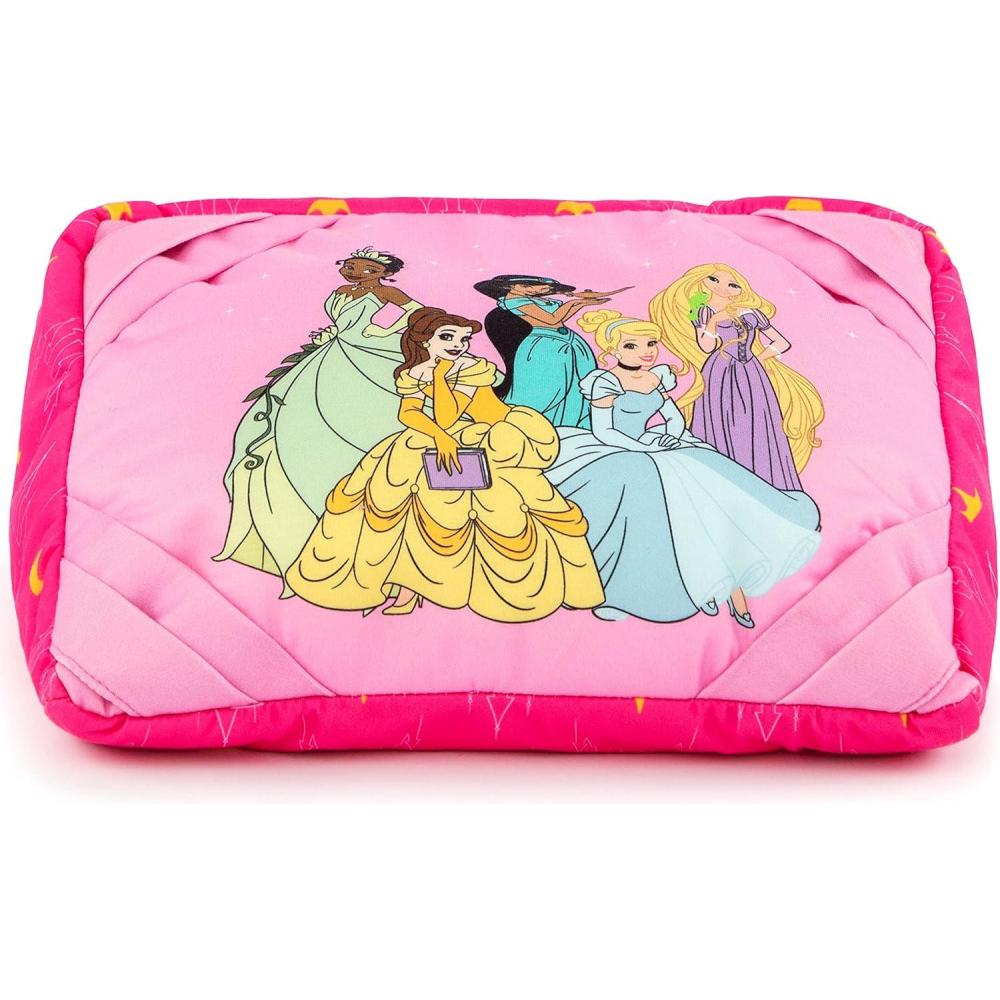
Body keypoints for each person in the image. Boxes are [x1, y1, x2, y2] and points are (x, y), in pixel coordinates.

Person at [286, 307, 605, 622]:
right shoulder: (415, 372)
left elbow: (448, 415)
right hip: (451, 433)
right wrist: (439, 436)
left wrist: (440, 382)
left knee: (500, 503)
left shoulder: (470, 367)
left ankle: (515, 587)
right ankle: (406, 583)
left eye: (463, 339)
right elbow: (408, 413)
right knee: (399, 479)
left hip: (500, 434)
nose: (458, 345)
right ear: (425, 341)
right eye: (448, 337)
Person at [547, 311, 821, 627]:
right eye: (633, 346)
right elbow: (604, 431)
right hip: (618, 449)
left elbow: (673, 417)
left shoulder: (656, 377)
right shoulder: (605, 382)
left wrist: (670, 436)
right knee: (641, 503)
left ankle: (713, 577)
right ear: (614, 351)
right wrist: (647, 446)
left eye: (650, 344)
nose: (646, 351)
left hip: (655, 443)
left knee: (713, 487)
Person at [214, 248, 422, 595]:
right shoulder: (341, 292)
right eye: (350, 265)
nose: (353, 271)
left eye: (365, 268)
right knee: (290, 408)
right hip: (334, 349)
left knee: (358, 415)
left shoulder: (386, 293)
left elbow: (418, 313)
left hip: (365, 352)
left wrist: (381, 333)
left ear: (381, 273)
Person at [650, 263, 824, 490]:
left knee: (755, 422)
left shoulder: (750, 313)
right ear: (703, 281)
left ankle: (762, 480)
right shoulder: (702, 312)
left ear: (740, 289)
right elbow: (706, 347)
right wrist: (713, 321)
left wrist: (759, 358)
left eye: (732, 284)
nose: (722, 287)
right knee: (718, 420)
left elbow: (782, 342)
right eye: (714, 280)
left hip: (751, 373)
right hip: (718, 372)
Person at [473, 274, 612, 428]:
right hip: (545, 346)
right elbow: (551, 319)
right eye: (528, 286)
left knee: (575, 385)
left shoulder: (535, 299)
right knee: (550, 388)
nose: (538, 290)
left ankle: (571, 424)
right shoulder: (514, 300)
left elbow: (561, 319)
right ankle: (536, 427)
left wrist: (582, 304)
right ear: (511, 287)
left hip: (569, 341)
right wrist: (574, 302)